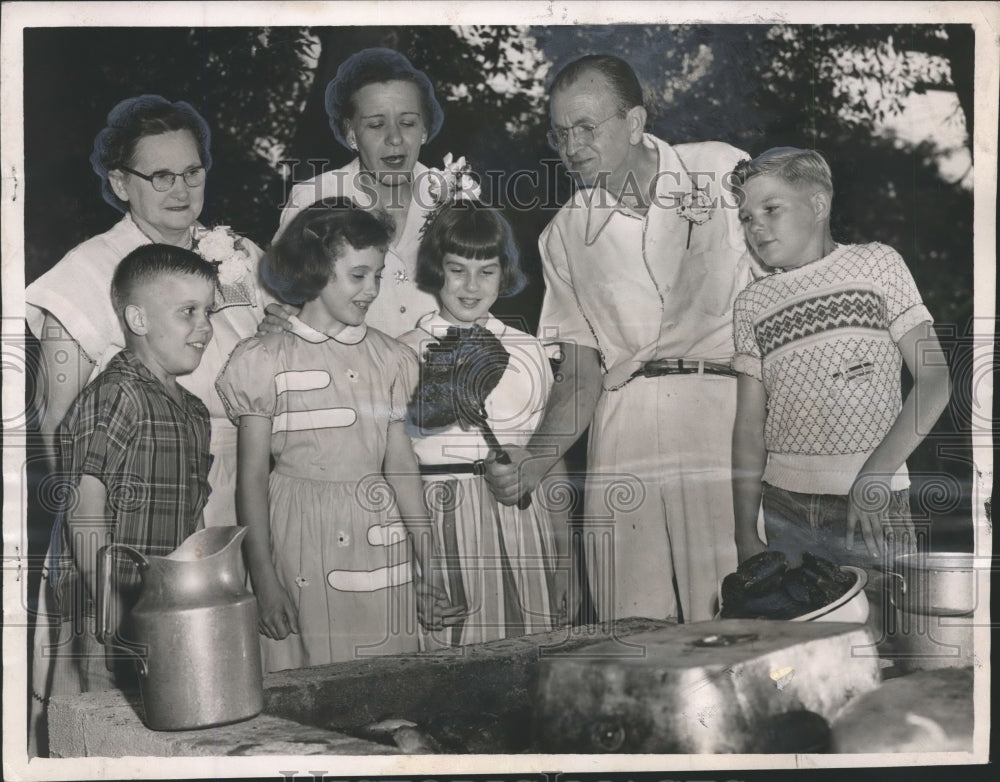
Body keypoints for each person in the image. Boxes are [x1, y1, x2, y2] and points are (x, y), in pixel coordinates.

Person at [485, 54, 757, 624]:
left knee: (738, 608)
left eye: (587, 128)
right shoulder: (563, 235)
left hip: (722, 414)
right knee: (629, 623)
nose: (571, 146)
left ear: (634, 122)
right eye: (560, 133)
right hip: (623, 425)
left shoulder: (720, 170)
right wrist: (534, 461)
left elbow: (782, 280)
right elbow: (580, 375)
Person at [216, 199, 459, 672]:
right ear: (316, 271)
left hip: (378, 526)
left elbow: (401, 466)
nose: (371, 290)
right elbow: (249, 482)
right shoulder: (264, 359)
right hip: (299, 532)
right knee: (310, 674)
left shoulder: (390, 359)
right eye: (358, 276)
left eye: (377, 276)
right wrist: (264, 580)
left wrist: (430, 567)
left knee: (387, 674)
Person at [25, 94, 268, 530]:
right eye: (160, 176)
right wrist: (91, 534)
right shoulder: (87, 269)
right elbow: (57, 426)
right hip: (139, 501)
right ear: (120, 183)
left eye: (192, 172)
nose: (181, 190)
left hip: (250, 488)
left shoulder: (239, 254)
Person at [30, 244, 216, 753]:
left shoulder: (193, 411)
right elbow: (83, 514)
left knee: (161, 729)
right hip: (104, 607)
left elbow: (191, 523)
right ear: (136, 318)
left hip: (160, 607)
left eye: (209, 312)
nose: (205, 327)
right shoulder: (116, 395)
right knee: (104, 730)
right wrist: (108, 601)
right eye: (188, 312)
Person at [729, 147, 951, 573]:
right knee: (799, 637)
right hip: (784, 510)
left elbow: (936, 379)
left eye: (771, 208)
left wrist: (875, 474)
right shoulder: (751, 304)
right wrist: (744, 532)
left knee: (879, 633)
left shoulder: (877, 265)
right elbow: (747, 426)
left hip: (871, 498)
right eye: (746, 217)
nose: (755, 225)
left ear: (818, 204)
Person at [399, 200, 572, 646]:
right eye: (457, 270)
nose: (471, 286)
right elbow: (390, 468)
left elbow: (551, 459)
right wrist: (413, 572)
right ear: (437, 270)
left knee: (526, 653)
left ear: (505, 272)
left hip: (521, 517)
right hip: (436, 522)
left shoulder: (529, 349)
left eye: (486, 271)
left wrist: (565, 557)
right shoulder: (401, 352)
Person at [272, 47, 447, 337]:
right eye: (376, 124)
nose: (394, 138)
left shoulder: (456, 196)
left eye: (408, 123)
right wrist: (279, 314)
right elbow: (281, 297)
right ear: (351, 133)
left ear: (425, 130)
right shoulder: (313, 198)